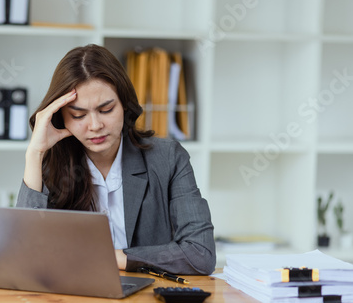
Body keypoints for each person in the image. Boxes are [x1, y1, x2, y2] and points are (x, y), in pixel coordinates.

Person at [17, 44, 215, 275]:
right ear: (61, 117)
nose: (95, 126)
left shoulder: (167, 158)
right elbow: (24, 255)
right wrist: (34, 154)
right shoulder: (52, 166)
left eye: (106, 109)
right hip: (75, 301)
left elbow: (200, 255)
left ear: (124, 104)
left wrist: (109, 257)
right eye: (78, 115)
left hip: (148, 301)